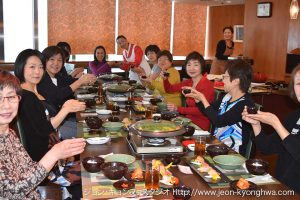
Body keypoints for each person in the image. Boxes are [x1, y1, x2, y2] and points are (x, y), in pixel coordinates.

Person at [0, 70, 86, 199]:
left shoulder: (9, 132)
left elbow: (28, 166)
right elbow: (13, 192)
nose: (6, 106)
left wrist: (57, 160)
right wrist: (54, 154)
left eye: (11, 97)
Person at [14, 48, 86, 161]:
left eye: (41, 67)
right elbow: (43, 130)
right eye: (32, 67)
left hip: (53, 149)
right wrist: (65, 109)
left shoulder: (35, 92)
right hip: (42, 160)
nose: (37, 71)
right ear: (21, 67)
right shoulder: (26, 97)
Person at [242, 64, 300, 193]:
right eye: (299, 83)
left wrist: (276, 124)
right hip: (282, 189)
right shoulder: (294, 117)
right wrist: (255, 124)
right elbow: (266, 148)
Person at [185, 59, 254, 155]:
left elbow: (219, 122)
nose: (222, 80)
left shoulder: (245, 104)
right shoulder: (227, 96)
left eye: (225, 76)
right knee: (189, 152)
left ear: (235, 81)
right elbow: (208, 111)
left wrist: (203, 99)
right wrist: (198, 100)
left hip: (232, 152)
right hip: (217, 146)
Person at [37, 46, 96, 139]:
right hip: (52, 127)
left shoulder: (56, 77)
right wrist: (80, 81)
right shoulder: (43, 78)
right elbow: (58, 95)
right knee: (89, 133)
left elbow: (70, 81)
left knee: (89, 127)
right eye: (52, 59)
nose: (56, 63)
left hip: (61, 121)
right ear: (44, 61)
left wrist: (86, 79)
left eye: (59, 60)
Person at [163, 51, 214, 130]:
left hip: (200, 125)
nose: (191, 68)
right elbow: (169, 89)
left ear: (202, 66)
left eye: (196, 65)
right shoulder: (188, 82)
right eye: (189, 65)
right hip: (187, 121)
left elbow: (201, 111)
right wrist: (165, 79)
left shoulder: (207, 84)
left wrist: (178, 108)